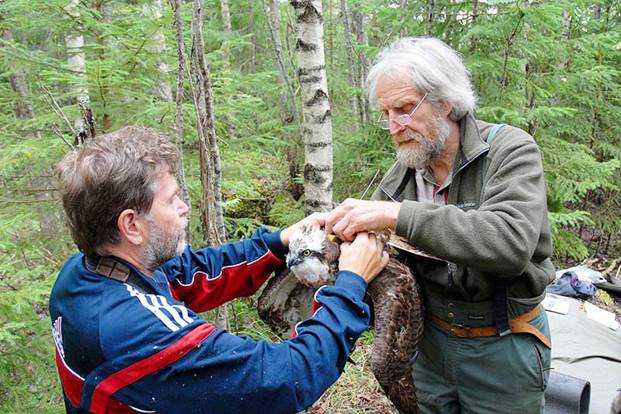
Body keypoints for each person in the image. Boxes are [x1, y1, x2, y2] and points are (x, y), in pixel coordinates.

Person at [50, 125, 389, 414]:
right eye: (171, 200)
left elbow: (195, 272)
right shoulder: (137, 331)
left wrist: (280, 241)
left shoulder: (84, 274)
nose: (184, 208)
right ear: (132, 226)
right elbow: (288, 376)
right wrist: (350, 284)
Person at [325, 37, 555, 413]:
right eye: (385, 113)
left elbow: (510, 243)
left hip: (503, 346)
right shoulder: (402, 174)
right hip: (429, 347)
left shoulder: (510, 151)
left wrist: (396, 216)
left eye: (402, 108)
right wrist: (338, 243)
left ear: (445, 101)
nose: (393, 126)